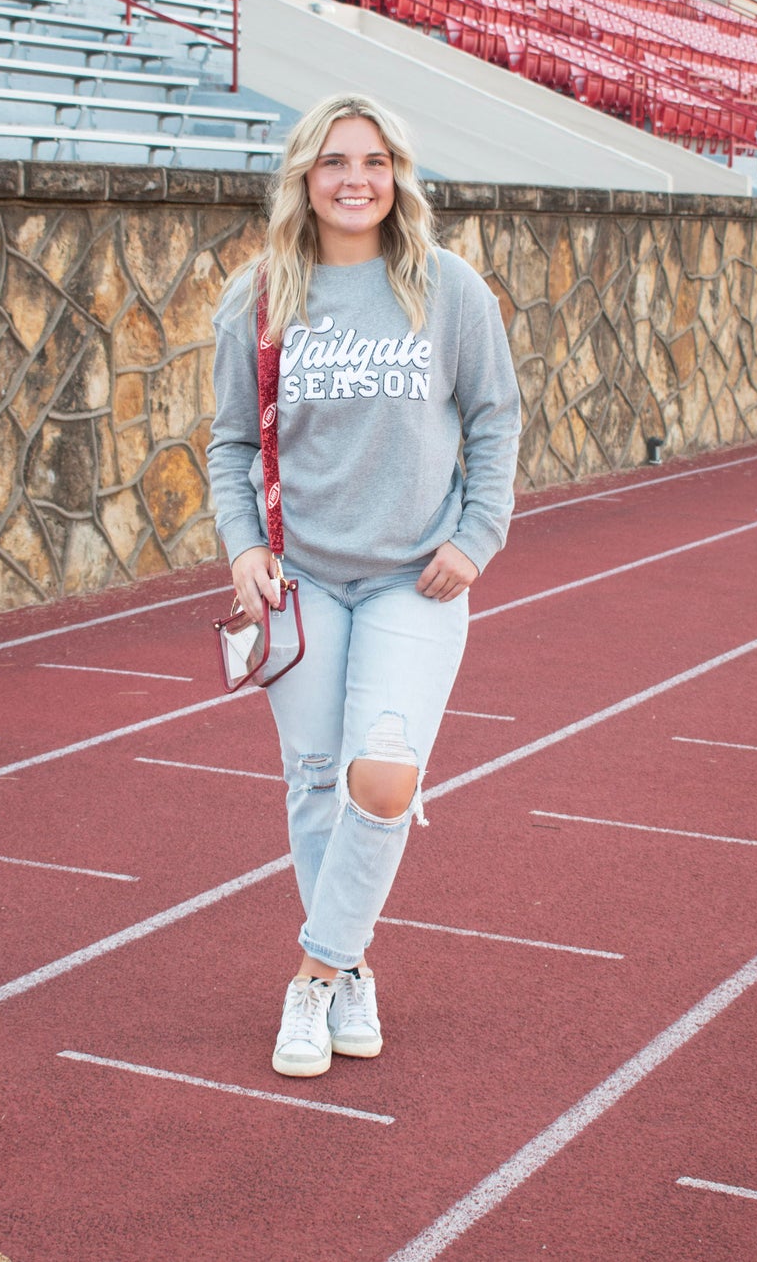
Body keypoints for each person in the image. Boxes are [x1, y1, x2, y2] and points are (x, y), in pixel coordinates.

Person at [206, 93, 521, 1078]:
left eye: (375, 160)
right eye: (336, 160)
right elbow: (225, 443)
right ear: (305, 176)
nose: (356, 178)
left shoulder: (447, 287)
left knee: (380, 774)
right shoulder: (258, 296)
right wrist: (241, 548)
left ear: (397, 174)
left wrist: (478, 534)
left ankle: (312, 971)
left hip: (410, 579)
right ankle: (353, 971)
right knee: (313, 779)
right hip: (299, 578)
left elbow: (495, 417)